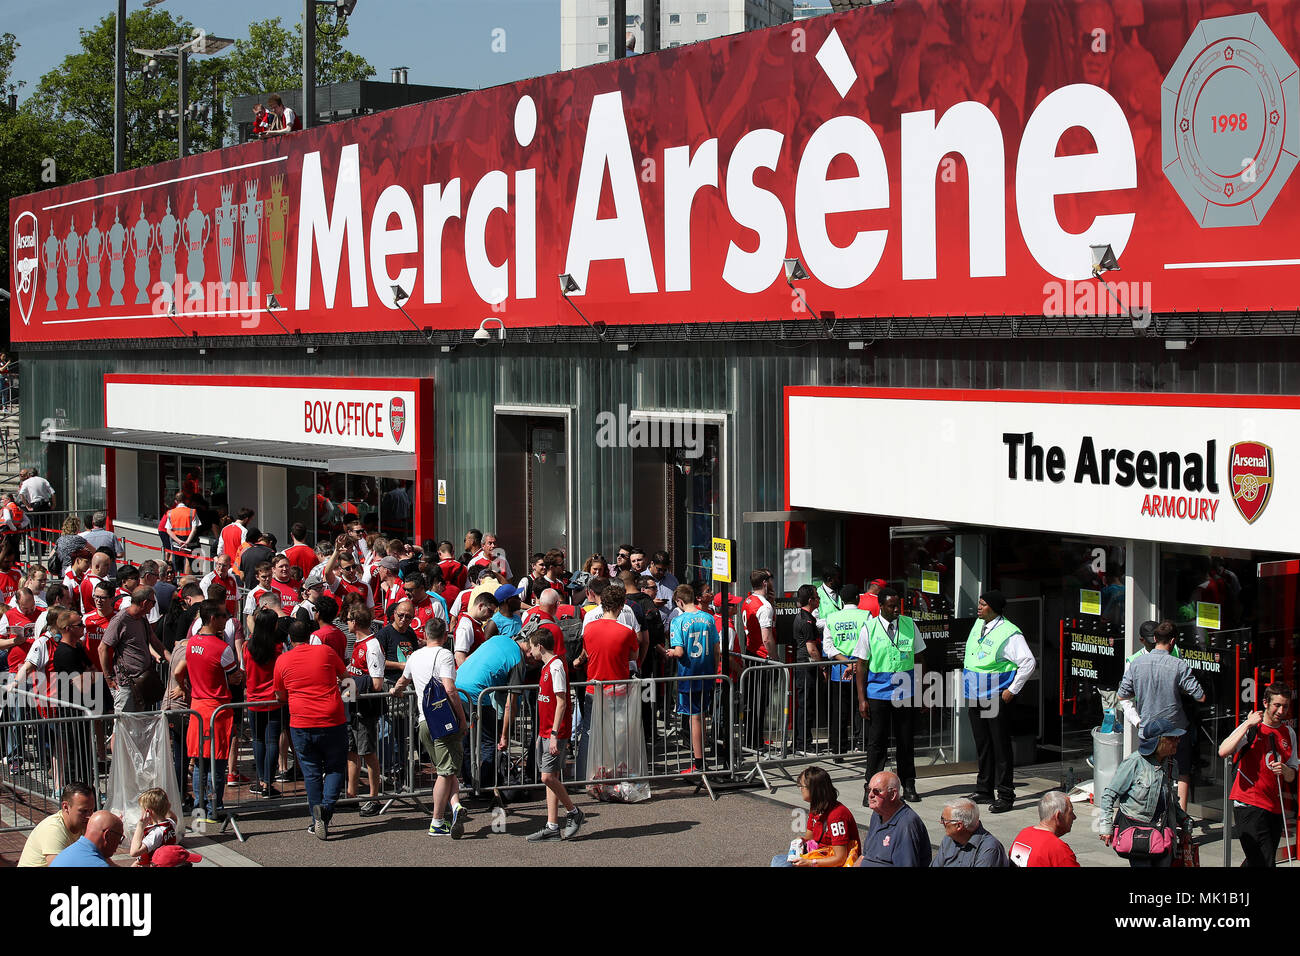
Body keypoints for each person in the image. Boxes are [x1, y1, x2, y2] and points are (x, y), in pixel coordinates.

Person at [391, 617, 470, 837]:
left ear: (424, 635)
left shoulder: (414, 656)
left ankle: (455, 807)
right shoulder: (444, 654)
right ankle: (436, 821)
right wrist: (462, 720)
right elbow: (450, 689)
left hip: (424, 720)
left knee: (447, 769)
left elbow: (402, 682)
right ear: (445, 636)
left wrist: (395, 691)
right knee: (446, 772)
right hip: (444, 721)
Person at [1117, 619, 1205, 811]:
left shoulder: (1136, 663)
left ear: (1155, 638)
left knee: (1149, 772)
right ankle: (1182, 820)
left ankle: (1150, 812)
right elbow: (1200, 696)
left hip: (1148, 728)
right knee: (1181, 771)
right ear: (1173, 641)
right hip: (1175, 729)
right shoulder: (1178, 664)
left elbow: (1123, 694)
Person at [274, 618, 349, 839]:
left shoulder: (283, 660)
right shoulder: (325, 652)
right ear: (310, 635)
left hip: (301, 721)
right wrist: (350, 702)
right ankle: (324, 810)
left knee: (311, 772)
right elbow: (347, 678)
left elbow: (280, 695)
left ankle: (318, 817)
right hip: (332, 718)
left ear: (290, 638)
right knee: (335, 768)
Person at [962, 590, 1035, 813]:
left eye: (983, 604)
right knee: (983, 744)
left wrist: (1012, 690)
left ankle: (1005, 794)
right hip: (975, 694)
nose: (979, 607)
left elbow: (1028, 662)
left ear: (993, 608)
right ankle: (984, 789)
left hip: (995, 695)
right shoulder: (978, 624)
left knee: (1000, 747)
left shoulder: (1010, 633)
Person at [175, 600, 242, 825]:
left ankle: (199, 806)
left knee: (200, 761)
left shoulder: (192, 642)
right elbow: (234, 677)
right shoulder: (222, 648)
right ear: (213, 618)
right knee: (217, 762)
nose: (227, 619)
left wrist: (183, 687)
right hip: (217, 709)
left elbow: (178, 671)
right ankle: (215, 807)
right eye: (224, 616)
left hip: (198, 706)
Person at [855, 587, 924, 803]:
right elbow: (862, 665)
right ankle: (871, 788)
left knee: (905, 740)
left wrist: (921, 690)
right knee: (877, 743)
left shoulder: (909, 625)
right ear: (881, 607)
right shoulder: (870, 628)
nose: (896, 610)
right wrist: (862, 698)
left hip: (905, 692)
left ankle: (909, 784)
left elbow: (920, 657)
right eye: (892, 606)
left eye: (898, 606)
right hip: (878, 693)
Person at [1218, 682, 1298, 867]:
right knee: (1264, 861)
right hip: (1248, 803)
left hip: (1274, 806)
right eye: (1277, 705)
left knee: (1259, 859)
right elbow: (1223, 751)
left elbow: (1292, 775)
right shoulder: (1252, 728)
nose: (1281, 710)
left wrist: (1286, 770)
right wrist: (1247, 723)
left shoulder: (1289, 733)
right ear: (1265, 703)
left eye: (1285, 706)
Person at [1097, 718, 1191, 867]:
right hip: (1138, 835)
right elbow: (1109, 795)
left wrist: (1186, 823)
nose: (1177, 741)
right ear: (1159, 741)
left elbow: (1172, 802)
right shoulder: (1134, 762)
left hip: (1163, 833)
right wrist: (1106, 827)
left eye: (1178, 738)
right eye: (1172, 738)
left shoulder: (1172, 765)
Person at [454, 628, 532, 793]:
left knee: (466, 739)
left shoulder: (499, 639)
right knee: (490, 741)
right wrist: (504, 736)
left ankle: (470, 783)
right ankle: (484, 785)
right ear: (530, 651)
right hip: (476, 693)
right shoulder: (518, 660)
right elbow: (511, 704)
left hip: (457, 685)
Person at [526, 625, 584, 840]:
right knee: (551, 779)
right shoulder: (547, 666)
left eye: (532, 648)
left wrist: (554, 734)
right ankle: (552, 825)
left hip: (554, 732)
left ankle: (574, 812)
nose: (530, 652)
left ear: (540, 646)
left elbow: (561, 702)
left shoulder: (556, 666)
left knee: (548, 776)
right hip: (546, 730)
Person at [665, 583, 721, 775]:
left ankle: (699, 762)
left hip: (689, 673)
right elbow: (716, 649)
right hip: (706, 671)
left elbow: (680, 651)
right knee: (702, 716)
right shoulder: (708, 618)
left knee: (694, 718)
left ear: (679, 601)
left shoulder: (678, 621)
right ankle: (701, 758)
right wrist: (714, 671)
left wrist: (670, 652)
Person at [770, 765, 861, 867]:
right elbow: (810, 838)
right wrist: (802, 841)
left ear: (813, 789)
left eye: (802, 786)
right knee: (777, 860)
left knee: (781, 864)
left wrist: (810, 863)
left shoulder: (837, 816)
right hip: (818, 855)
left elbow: (840, 858)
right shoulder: (816, 807)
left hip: (828, 861)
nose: (800, 789)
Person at [344, 604, 385, 817]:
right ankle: (350, 794)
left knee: (368, 752)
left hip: (366, 709)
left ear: (356, 623)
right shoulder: (359, 644)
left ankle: (374, 797)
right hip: (353, 706)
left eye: (349, 620)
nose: (347, 623)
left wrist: (351, 683)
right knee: (351, 750)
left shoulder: (372, 646)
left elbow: (377, 683)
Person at [99, 586, 167, 712]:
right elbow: (102, 648)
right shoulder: (120, 620)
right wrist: (108, 678)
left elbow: (155, 641)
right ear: (145, 603)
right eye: (153, 602)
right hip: (126, 685)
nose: (154, 606)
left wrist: (171, 658)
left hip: (142, 683)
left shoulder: (142, 618)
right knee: (124, 725)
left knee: (139, 723)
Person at [823, 584, 868, 758]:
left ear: (841, 599)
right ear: (858, 598)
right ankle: (861, 743)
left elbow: (828, 647)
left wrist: (846, 662)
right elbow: (869, 643)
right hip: (862, 668)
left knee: (839, 711)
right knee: (861, 706)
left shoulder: (832, 618)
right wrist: (855, 663)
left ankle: (838, 749)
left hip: (839, 671)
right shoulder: (866, 616)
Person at [244, 607, 285, 798]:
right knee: (270, 741)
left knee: (259, 740)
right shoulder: (278, 648)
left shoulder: (247, 647)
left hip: (254, 699)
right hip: (273, 700)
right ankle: (267, 781)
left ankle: (261, 780)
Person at [858, 770, 931, 866]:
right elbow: (864, 856)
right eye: (869, 790)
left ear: (893, 794)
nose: (870, 795)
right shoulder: (877, 814)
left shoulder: (906, 825)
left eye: (876, 791)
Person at [17, 781, 95, 867]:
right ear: (65, 807)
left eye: (91, 810)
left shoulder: (86, 824)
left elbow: (101, 858)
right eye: (83, 811)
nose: (89, 816)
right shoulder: (53, 829)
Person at [931, 797, 1010, 867]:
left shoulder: (989, 849)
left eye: (944, 820)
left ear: (959, 826)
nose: (941, 822)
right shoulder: (948, 839)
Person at [1011, 790, 1081, 867]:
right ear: (1058, 816)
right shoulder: (1058, 849)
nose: (1074, 817)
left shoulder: (1023, 834)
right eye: (1070, 812)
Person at [791, 583, 822, 755]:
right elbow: (811, 649)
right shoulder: (806, 620)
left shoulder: (802, 617)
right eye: (817, 597)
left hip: (803, 665)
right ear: (811, 600)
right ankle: (803, 743)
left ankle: (800, 741)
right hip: (806, 666)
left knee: (804, 704)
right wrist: (822, 667)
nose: (819, 600)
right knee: (806, 705)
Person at [50, 809, 124, 868]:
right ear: (107, 835)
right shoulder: (98, 864)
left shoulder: (68, 852)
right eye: (119, 837)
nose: (119, 843)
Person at [128, 787, 177, 865]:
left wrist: (140, 827)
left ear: (148, 812)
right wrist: (165, 807)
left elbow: (134, 852)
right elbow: (174, 818)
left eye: (142, 809)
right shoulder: (170, 824)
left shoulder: (155, 833)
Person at [163, 492, 198, 574]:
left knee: (177, 565)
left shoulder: (171, 513)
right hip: (191, 543)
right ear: (186, 500)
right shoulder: (192, 512)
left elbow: (168, 530)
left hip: (177, 543)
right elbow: (194, 528)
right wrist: (187, 542)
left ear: (176, 501)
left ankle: (177, 582)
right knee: (194, 565)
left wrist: (179, 541)